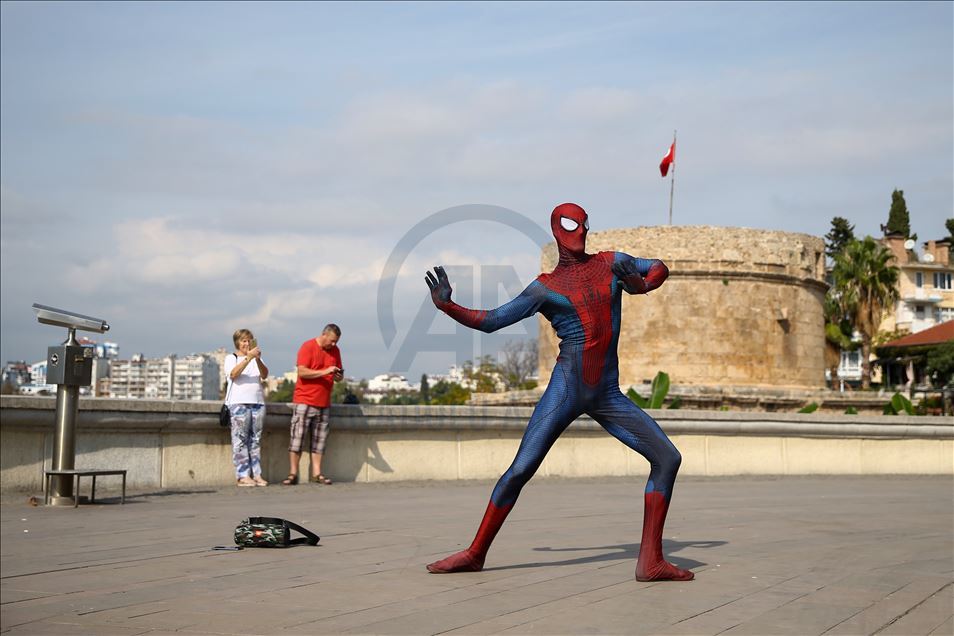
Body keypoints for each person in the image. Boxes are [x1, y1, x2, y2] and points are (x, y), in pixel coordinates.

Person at [423, 203, 693, 582]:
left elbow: (659, 266)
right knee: (520, 469)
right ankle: (475, 552)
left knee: (667, 458)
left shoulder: (612, 263)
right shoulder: (545, 288)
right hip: (567, 388)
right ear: (556, 229)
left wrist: (640, 284)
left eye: (585, 224)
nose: (580, 231)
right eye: (571, 225)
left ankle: (651, 560)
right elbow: (492, 321)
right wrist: (447, 305)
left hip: (606, 393)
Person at [282, 324, 343, 486]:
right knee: (297, 439)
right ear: (324, 335)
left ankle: (317, 473)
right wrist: (325, 371)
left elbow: (337, 377)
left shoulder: (335, 351)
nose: (334, 344)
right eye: (332, 341)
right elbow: (302, 372)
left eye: (336, 341)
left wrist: (337, 375)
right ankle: (293, 473)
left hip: (324, 402)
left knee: (319, 441)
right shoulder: (307, 346)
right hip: (304, 400)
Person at [224, 329, 269, 487]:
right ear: (237, 342)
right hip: (238, 403)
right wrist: (247, 358)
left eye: (249, 340)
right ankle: (243, 475)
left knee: (255, 440)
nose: (247, 343)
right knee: (240, 440)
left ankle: (257, 474)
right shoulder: (232, 358)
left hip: (257, 402)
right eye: (243, 340)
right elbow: (233, 374)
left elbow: (264, 375)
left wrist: (256, 359)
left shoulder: (257, 359)